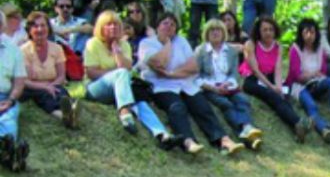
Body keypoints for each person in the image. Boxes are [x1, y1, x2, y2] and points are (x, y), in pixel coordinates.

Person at [139, 12, 243, 155]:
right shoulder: (147, 43)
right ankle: (188, 141)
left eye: (172, 24)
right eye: (165, 23)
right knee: (177, 108)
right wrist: (167, 43)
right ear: (157, 26)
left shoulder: (181, 41)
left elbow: (193, 66)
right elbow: (158, 62)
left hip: (185, 83)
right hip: (161, 86)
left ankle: (223, 140)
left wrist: (171, 74)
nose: (169, 26)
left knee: (202, 107)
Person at [84, 10, 179, 150]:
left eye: (116, 24)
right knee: (121, 74)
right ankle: (124, 112)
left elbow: (126, 69)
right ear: (100, 27)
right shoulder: (93, 43)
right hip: (96, 88)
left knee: (140, 102)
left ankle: (162, 134)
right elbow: (91, 72)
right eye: (108, 25)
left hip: (120, 89)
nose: (113, 27)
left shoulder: (124, 45)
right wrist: (115, 75)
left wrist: (117, 51)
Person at [194, 18, 263, 151]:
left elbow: (234, 74)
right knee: (225, 104)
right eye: (212, 30)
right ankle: (247, 134)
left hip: (229, 86)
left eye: (218, 30)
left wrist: (228, 84)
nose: (215, 33)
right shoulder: (200, 51)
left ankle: (246, 128)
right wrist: (214, 88)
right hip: (210, 88)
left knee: (243, 100)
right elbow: (195, 76)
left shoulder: (231, 51)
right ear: (207, 33)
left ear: (223, 33)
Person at [240, 16, 312, 142]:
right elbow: (255, 71)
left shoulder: (278, 46)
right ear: (259, 32)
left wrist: (278, 87)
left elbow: (278, 69)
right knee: (271, 95)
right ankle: (298, 122)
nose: (268, 32)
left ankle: (297, 127)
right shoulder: (250, 44)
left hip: (270, 76)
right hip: (252, 79)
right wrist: (271, 87)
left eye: (270, 29)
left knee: (282, 97)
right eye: (264, 30)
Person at [285, 18, 330, 144]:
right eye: (306, 32)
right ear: (301, 34)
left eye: (312, 32)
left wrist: (310, 75)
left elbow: (323, 71)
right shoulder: (295, 49)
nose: (309, 36)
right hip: (299, 87)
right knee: (311, 106)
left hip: (316, 84)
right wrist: (312, 74)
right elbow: (297, 76)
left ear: (316, 34)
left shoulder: (319, 49)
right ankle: (323, 130)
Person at [20, 11, 79, 129]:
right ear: (30, 30)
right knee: (43, 94)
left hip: (53, 83)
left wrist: (52, 85)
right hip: (31, 86)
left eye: (43, 25)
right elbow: (24, 81)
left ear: (48, 28)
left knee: (60, 92)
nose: (40, 29)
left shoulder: (57, 48)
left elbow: (61, 76)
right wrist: (45, 87)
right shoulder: (23, 51)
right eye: (36, 26)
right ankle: (64, 116)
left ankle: (70, 112)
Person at [0, 11, 30, 172]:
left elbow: (19, 82)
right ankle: (9, 154)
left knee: (9, 117)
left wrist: (11, 100)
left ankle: (7, 147)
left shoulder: (13, 50)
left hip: (5, 96)